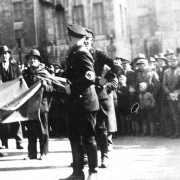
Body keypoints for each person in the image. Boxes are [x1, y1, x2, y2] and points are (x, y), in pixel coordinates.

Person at [62, 25, 99, 180]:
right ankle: (77, 173)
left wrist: (72, 89)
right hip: (76, 104)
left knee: (88, 138)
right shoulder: (74, 53)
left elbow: (90, 77)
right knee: (75, 137)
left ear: (71, 38)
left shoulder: (82, 53)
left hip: (85, 103)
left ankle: (93, 172)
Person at [85, 28, 120, 168]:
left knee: (100, 127)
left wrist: (102, 81)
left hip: (99, 94)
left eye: (88, 39)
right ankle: (87, 157)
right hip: (86, 96)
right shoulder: (77, 55)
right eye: (83, 39)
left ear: (92, 41)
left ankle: (104, 156)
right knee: (86, 127)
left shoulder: (99, 54)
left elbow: (116, 68)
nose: (86, 41)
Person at [22, 49, 55, 160]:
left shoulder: (44, 73)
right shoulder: (25, 74)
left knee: (43, 130)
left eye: (34, 59)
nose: (32, 61)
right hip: (30, 106)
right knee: (31, 131)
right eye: (30, 59)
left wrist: (46, 85)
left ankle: (44, 152)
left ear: (38, 61)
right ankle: (32, 153)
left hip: (41, 105)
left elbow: (52, 88)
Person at [0, 45, 24, 149]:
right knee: (3, 119)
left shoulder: (15, 66)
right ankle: (4, 143)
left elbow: (20, 79)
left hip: (14, 96)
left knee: (16, 118)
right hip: (2, 97)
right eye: (2, 54)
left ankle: (19, 141)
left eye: (6, 53)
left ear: (9, 55)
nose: (4, 56)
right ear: (0, 56)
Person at [162, 55, 180, 138]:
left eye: (174, 61)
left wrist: (177, 92)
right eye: (171, 61)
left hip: (178, 95)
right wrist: (169, 93)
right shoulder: (166, 71)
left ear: (177, 61)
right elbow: (164, 84)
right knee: (174, 114)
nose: (173, 62)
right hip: (170, 96)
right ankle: (177, 132)